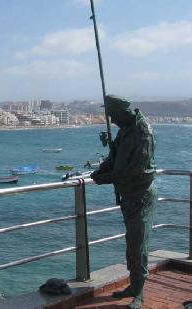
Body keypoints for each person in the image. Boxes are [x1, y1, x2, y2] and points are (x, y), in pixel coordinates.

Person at [90, 95, 157, 309]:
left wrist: (108, 178)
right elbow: (115, 155)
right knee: (131, 245)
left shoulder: (142, 130)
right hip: (128, 196)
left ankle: (140, 294)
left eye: (113, 115)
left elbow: (138, 171)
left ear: (122, 112)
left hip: (141, 196)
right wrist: (102, 169)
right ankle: (134, 285)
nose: (112, 119)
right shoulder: (125, 129)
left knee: (139, 247)